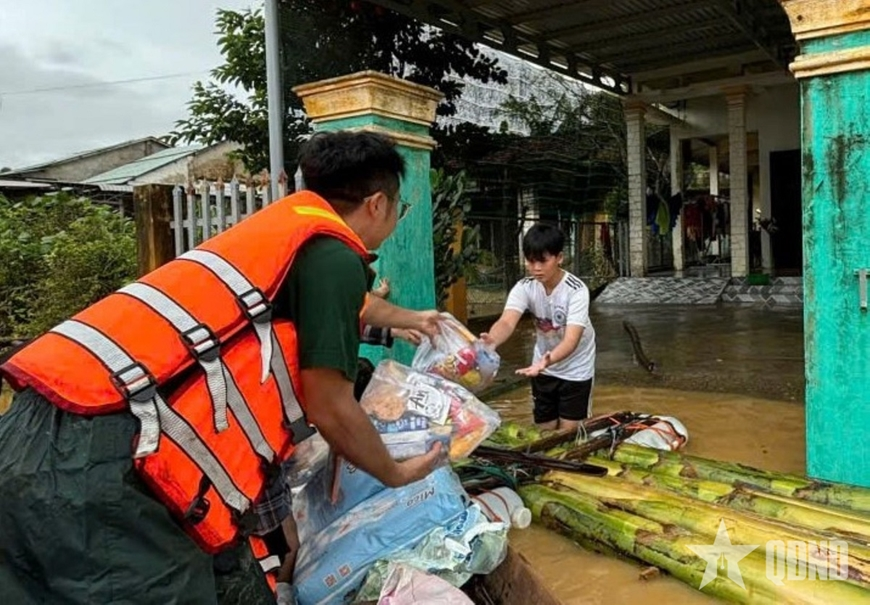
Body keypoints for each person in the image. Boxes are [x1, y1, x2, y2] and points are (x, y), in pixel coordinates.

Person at [0, 130, 444, 605]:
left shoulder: (277, 236)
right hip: (112, 459)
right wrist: (395, 473)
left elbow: (340, 307)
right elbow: (331, 407)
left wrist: (410, 320)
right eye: (401, 208)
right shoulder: (334, 256)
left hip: (36, 424)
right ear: (378, 204)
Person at [481, 223, 596, 431]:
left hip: (576, 367)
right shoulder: (525, 287)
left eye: (542, 261)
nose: (536, 268)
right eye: (530, 261)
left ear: (559, 258)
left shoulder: (577, 291)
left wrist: (548, 360)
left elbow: (571, 340)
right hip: (541, 366)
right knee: (544, 429)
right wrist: (492, 340)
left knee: (568, 433)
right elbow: (507, 321)